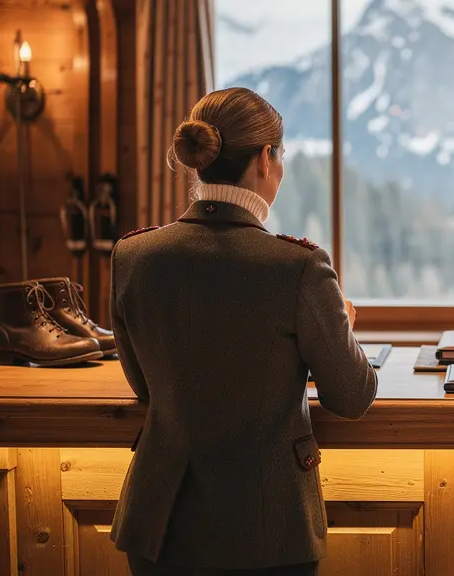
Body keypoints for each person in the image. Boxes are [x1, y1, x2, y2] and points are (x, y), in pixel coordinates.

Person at [109, 87, 378, 575]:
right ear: (264, 159)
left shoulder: (133, 257)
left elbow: (145, 385)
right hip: (269, 529)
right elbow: (352, 396)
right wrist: (344, 324)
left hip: (160, 522)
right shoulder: (298, 266)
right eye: (281, 157)